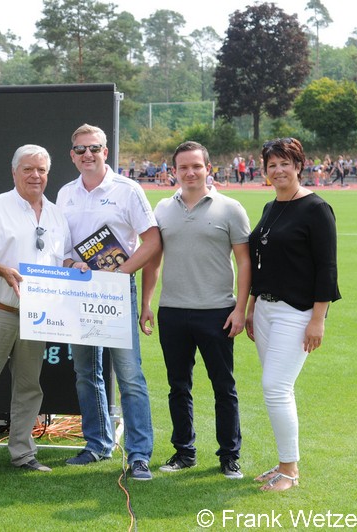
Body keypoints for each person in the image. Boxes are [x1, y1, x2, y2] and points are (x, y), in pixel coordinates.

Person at [0, 144, 71, 476]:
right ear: (15, 172)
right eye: (28, 169)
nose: (36, 176)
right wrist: (3, 270)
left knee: (29, 387)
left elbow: (60, 259)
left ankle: (23, 453)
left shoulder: (55, 214)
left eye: (42, 170)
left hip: (37, 316)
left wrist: (73, 264)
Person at [140, 141, 251, 480]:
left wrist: (240, 309)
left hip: (217, 311)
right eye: (183, 167)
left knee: (223, 387)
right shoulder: (161, 208)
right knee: (178, 386)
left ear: (208, 169)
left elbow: (245, 262)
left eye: (196, 166)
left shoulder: (230, 208)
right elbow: (153, 260)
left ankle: (229, 456)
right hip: (173, 312)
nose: (190, 172)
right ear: (173, 171)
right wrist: (146, 303)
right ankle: (183, 452)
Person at [56, 123, 161, 481]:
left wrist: (122, 273)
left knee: (129, 375)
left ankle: (139, 455)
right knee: (87, 373)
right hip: (78, 289)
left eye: (94, 148)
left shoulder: (127, 190)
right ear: (72, 156)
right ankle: (97, 443)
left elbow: (152, 241)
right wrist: (71, 263)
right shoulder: (65, 193)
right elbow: (59, 247)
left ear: (105, 151)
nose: (88, 154)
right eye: (81, 149)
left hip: (116, 291)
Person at [245, 137, 341, 492]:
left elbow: (327, 268)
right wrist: (254, 306)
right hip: (267, 310)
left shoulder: (316, 209)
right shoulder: (272, 208)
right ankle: (283, 461)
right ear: (265, 171)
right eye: (272, 165)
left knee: (276, 386)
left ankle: (290, 470)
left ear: (299, 165)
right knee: (278, 389)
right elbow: (263, 262)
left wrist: (318, 318)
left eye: (285, 163)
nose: (278, 170)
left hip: (297, 313)